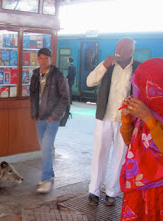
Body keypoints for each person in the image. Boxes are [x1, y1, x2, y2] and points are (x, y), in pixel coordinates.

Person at [86, 37, 141, 206]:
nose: (119, 50)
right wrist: (104, 65)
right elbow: (89, 82)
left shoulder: (138, 68)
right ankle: (94, 191)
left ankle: (112, 192)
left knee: (120, 156)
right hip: (105, 117)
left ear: (131, 51)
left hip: (126, 121)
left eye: (123, 48)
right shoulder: (108, 65)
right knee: (99, 153)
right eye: (118, 47)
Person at [120, 58, 163, 220]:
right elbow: (130, 143)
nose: (138, 91)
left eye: (144, 85)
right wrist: (126, 120)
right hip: (138, 188)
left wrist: (149, 119)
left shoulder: (148, 113)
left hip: (158, 189)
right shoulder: (145, 109)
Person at [30, 48, 70, 193]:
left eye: (46, 58)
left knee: (46, 148)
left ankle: (45, 179)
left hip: (52, 119)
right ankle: (51, 173)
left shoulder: (58, 76)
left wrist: (55, 115)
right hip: (40, 118)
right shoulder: (35, 74)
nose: (43, 61)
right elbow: (33, 95)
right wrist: (34, 113)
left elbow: (65, 97)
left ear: (51, 59)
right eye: (41, 58)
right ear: (38, 59)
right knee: (44, 148)